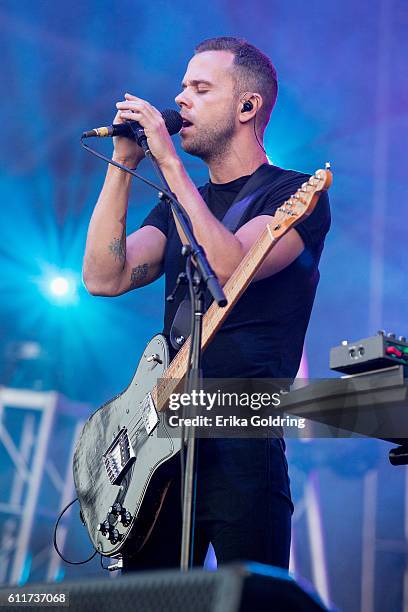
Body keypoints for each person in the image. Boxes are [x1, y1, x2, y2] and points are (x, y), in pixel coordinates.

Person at [82, 37, 331, 571]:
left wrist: (169, 162)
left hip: (243, 438)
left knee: (249, 600)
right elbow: (105, 277)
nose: (181, 99)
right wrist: (123, 165)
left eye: (200, 87)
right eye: (181, 86)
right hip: (160, 445)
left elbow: (229, 267)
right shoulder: (175, 202)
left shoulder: (293, 196)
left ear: (247, 106)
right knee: (147, 604)